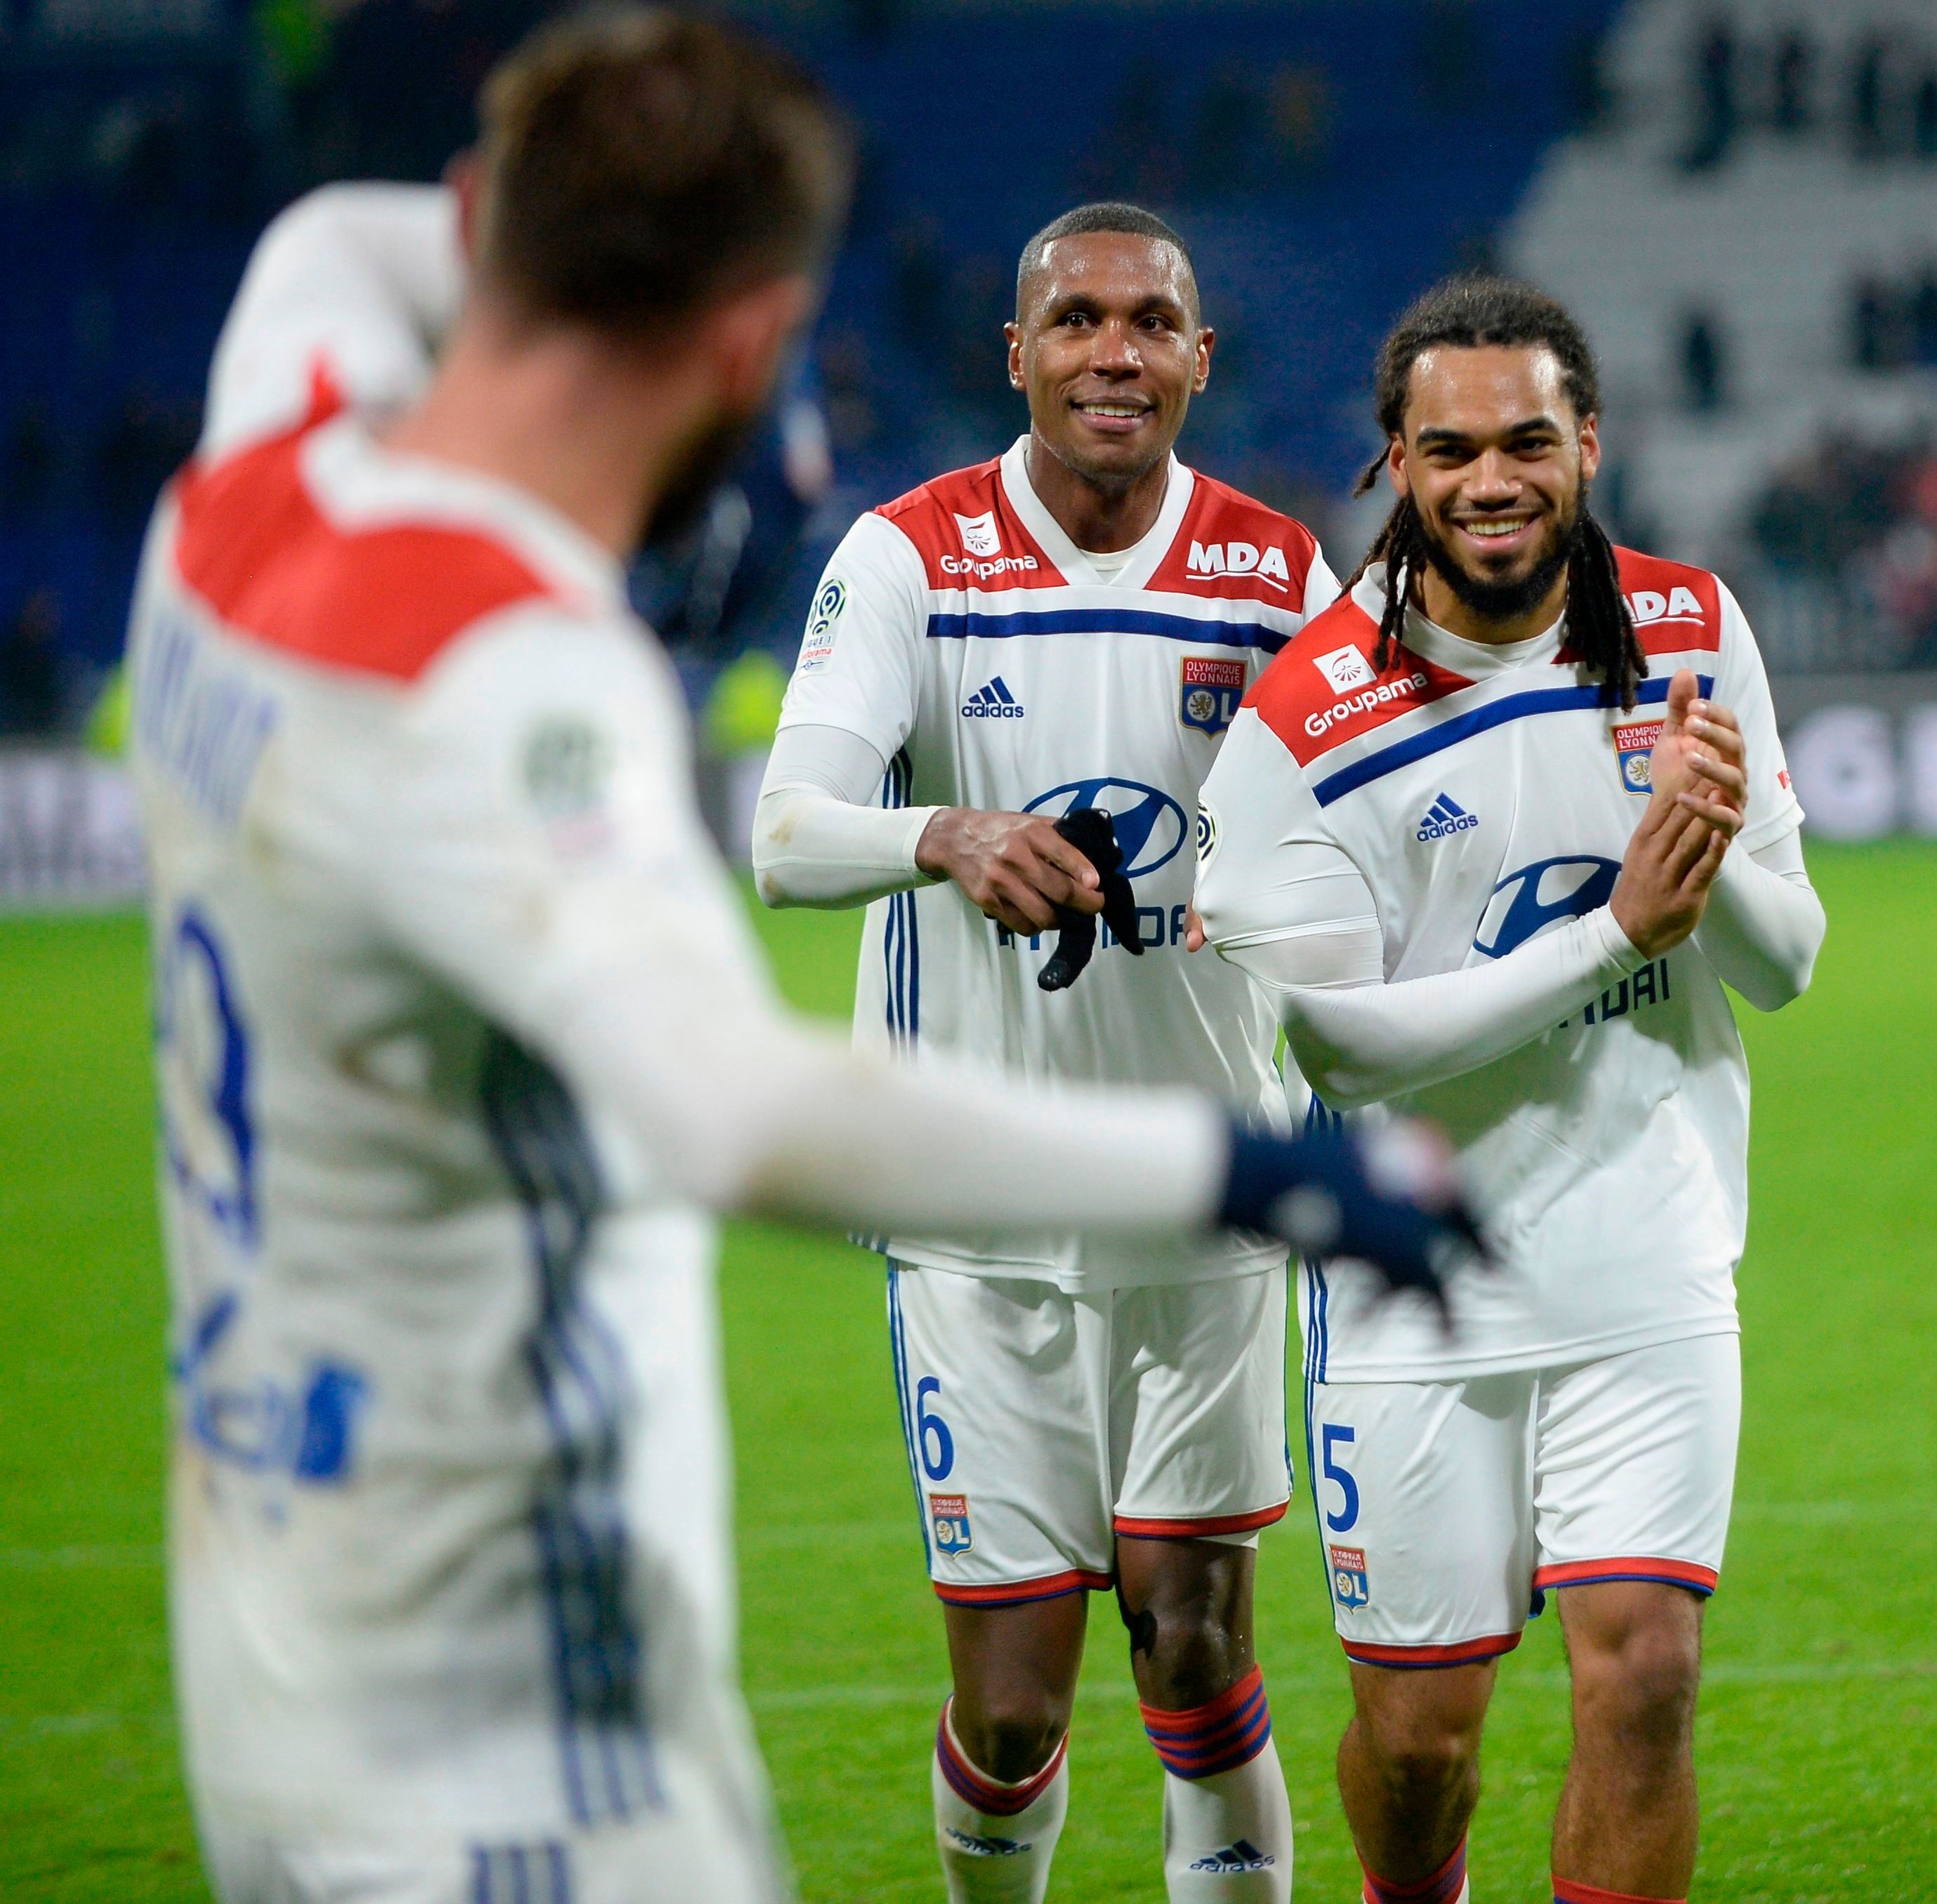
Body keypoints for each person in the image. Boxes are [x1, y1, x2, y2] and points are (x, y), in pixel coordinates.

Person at [126, 16, 1469, 1900]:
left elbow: (341, 243)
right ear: (754, 342)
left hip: (270, 1642)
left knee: (1194, 1636)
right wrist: (1262, 1165)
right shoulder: (515, 684)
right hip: (518, 1742)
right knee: (1009, 1705)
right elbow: (740, 1108)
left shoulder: (241, 490)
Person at [1193, 276, 1825, 1904]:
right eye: (1452, 446)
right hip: (1416, 1287)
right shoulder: (1304, 718)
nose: (1496, 479)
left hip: (1650, 1257)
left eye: (1531, 440)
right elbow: (1337, 1044)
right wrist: (1620, 925)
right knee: (1420, 1744)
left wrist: (1713, 843)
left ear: (1588, 443)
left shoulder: (1692, 628)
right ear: (1394, 463)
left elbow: (1784, 957)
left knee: (1650, 1677)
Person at [751, 201, 1340, 1904]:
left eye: (1150, 324)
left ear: (1197, 359)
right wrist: (941, 835)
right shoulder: (910, 557)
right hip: (979, 1222)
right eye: (1075, 322)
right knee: (1010, 1717)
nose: (1113, 354)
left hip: (1205, 1201)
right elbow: (787, 834)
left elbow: (1350, 836)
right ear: (1016, 353)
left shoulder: (1271, 570)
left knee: (1193, 1641)